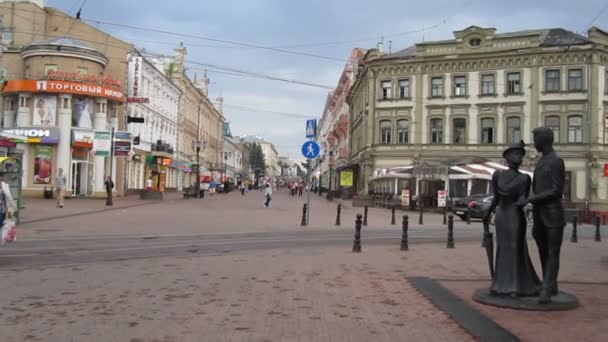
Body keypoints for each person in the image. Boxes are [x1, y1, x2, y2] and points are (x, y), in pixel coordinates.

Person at [484, 140, 540, 297]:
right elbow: (495, 198)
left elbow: (522, 197)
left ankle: (516, 285)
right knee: (503, 248)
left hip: (515, 214)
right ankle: (500, 284)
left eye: (520, 154)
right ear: (507, 157)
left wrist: (525, 201)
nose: (518, 157)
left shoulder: (524, 179)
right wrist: (487, 213)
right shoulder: (498, 176)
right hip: (502, 214)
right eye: (515, 153)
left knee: (515, 247)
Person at [517, 127, 566, 304]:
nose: (534, 142)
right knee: (543, 250)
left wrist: (531, 198)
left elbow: (556, 190)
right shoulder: (542, 161)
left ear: (543, 140)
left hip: (553, 214)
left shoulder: (556, 161)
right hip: (539, 213)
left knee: (553, 252)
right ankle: (550, 283)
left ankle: (546, 288)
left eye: (535, 138)